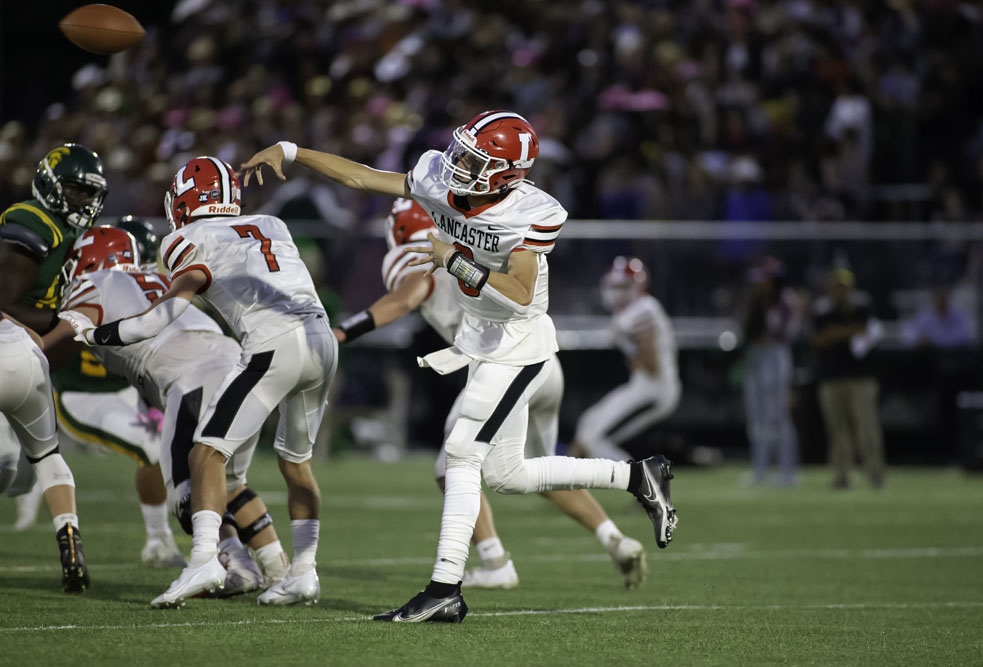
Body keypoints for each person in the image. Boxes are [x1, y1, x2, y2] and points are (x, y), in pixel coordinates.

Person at [241, 109, 677, 623]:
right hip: (482, 339)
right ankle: (637, 476)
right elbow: (361, 175)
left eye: (476, 158)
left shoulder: (528, 212)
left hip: (518, 342)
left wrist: (455, 260)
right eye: (464, 151)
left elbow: (518, 295)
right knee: (508, 475)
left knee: (461, 454)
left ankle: (445, 587)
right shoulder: (437, 181)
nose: (460, 163)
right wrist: (293, 151)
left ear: (508, 173)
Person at [59, 157, 336, 608]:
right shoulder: (272, 223)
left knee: (206, 453)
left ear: (185, 199)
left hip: (273, 345)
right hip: (322, 340)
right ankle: (302, 572)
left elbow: (159, 318)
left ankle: (205, 558)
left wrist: (97, 334)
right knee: (295, 463)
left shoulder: (186, 238)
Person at [335, 198, 647, 589]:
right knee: (543, 467)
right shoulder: (474, 237)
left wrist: (346, 330)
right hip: (544, 361)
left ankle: (494, 562)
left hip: (505, 369)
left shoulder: (427, 253)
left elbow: (402, 299)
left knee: (453, 467)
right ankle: (615, 539)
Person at [46, 225, 291, 599]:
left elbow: (64, 335)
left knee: (186, 494)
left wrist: (28, 348)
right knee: (227, 482)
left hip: (191, 377)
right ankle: (278, 568)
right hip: (236, 363)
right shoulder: (157, 277)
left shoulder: (95, 281)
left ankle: (237, 567)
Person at [24, 215, 185, 568]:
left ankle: (174, 536)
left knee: (169, 445)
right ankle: (159, 540)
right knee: (152, 448)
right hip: (80, 396)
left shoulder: (128, 286)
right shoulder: (92, 291)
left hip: (125, 393)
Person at [0, 144, 106, 592]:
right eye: (74, 190)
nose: (82, 201)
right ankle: (71, 544)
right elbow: (7, 300)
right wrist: (73, 320)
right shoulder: (32, 220)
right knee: (45, 458)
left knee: (15, 472)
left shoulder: (60, 229)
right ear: (49, 182)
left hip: (17, 347)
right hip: (23, 353)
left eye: (88, 193)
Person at [571, 256, 681, 462]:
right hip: (644, 384)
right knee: (587, 423)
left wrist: (635, 351)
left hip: (654, 388)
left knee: (593, 438)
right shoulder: (629, 313)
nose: (617, 292)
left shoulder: (642, 310)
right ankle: (567, 483)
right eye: (614, 286)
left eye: (622, 286)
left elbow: (651, 365)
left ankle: (644, 483)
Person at [811, 268, 885, 489]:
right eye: (836, 285)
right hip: (831, 378)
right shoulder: (822, 310)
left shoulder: (861, 306)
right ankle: (842, 476)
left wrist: (836, 332)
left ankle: (875, 474)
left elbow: (864, 330)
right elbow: (819, 338)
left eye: (843, 286)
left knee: (866, 428)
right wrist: (847, 331)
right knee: (838, 431)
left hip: (860, 378)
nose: (840, 290)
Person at [741, 257, 800, 486]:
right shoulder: (756, 301)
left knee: (778, 416)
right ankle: (761, 469)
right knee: (757, 417)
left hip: (775, 356)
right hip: (756, 357)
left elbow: (780, 332)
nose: (759, 285)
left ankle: (788, 471)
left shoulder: (785, 301)